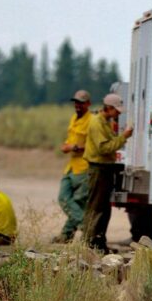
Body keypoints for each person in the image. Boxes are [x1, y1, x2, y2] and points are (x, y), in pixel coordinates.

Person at [82, 93, 133, 252]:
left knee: (104, 209)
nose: (118, 113)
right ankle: (90, 243)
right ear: (108, 108)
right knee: (96, 208)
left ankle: (99, 243)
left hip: (104, 169)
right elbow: (104, 148)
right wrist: (123, 137)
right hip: (98, 169)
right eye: (116, 110)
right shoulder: (97, 123)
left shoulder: (105, 122)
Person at [53, 89, 93, 243]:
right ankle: (85, 230)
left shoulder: (92, 120)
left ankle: (71, 234)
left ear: (88, 104)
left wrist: (74, 147)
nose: (77, 105)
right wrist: (67, 146)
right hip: (71, 167)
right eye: (76, 102)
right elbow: (69, 140)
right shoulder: (74, 118)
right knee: (64, 198)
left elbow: (93, 145)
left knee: (78, 201)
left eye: (81, 103)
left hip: (84, 167)